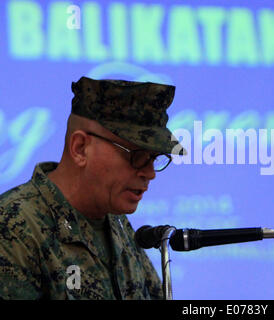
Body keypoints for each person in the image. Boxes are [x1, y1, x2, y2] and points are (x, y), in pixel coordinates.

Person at [0, 76, 186, 299]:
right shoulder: (13, 227)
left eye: (154, 157)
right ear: (80, 148)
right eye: (136, 156)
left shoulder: (118, 224)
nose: (150, 173)